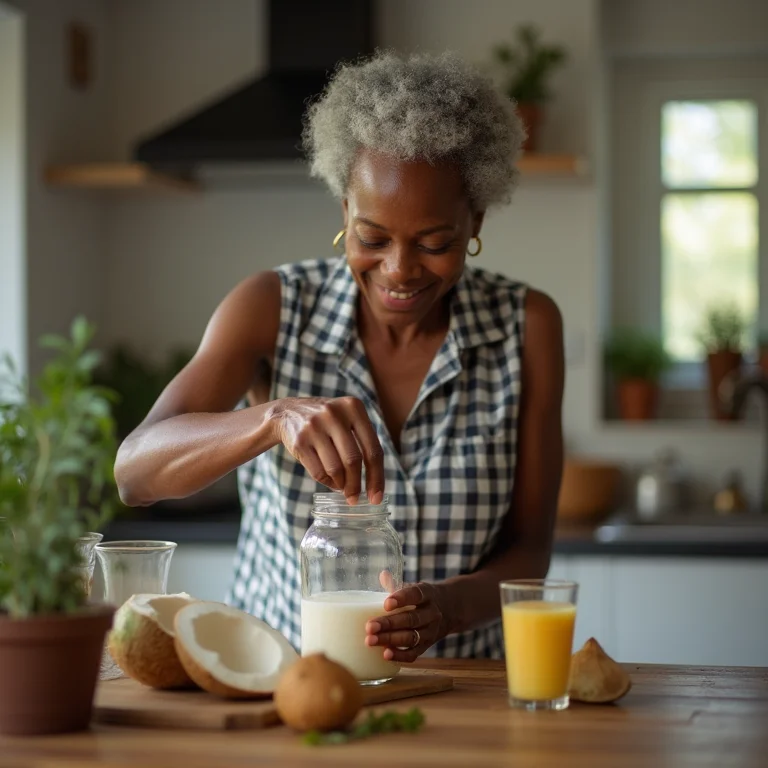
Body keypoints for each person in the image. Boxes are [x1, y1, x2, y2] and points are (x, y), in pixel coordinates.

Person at [114, 50, 565, 662]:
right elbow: (134, 474)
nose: (399, 270)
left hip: (465, 687)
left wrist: (448, 607)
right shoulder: (271, 307)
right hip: (285, 679)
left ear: (475, 221)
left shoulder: (526, 326)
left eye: (435, 243)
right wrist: (273, 418)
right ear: (345, 211)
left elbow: (530, 549)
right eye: (372, 238)